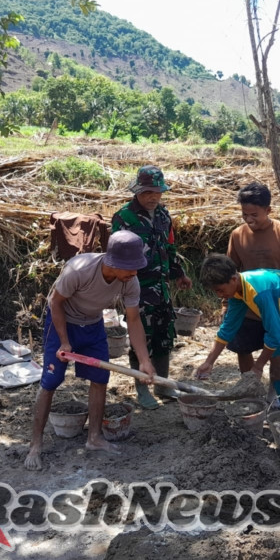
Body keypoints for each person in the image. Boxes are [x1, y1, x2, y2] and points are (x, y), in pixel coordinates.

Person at [24, 230, 156, 471]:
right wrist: (64, 341)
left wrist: (145, 360)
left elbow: (134, 320)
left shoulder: (130, 280)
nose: (134, 273)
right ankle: (35, 444)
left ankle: (94, 438)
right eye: (130, 268)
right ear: (113, 262)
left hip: (93, 325)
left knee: (99, 379)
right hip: (62, 322)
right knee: (50, 382)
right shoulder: (80, 269)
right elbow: (55, 302)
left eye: (137, 267)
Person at [195, 254, 280, 423]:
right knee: (279, 365)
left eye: (220, 290)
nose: (220, 295)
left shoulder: (259, 291)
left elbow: (274, 335)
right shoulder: (237, 292)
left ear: (233, 279)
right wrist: (209, 362)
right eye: (215, 292)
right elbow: (227, 329)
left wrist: (258, 366)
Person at [111, 165, 192, 410]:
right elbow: (116, 255)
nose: (153, 197)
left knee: (164, 336)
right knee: (141, 340)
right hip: (136, 287)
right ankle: (142, 388)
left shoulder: (163, 216)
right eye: (147, 192)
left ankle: (163, 385)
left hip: (161, 287)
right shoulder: (124, 217)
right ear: (138, 191)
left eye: (157, 192)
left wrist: (179, 273)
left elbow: (169, 247)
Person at [226, 182, 280, 403]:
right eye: (244, 214)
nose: (249, 219)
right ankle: (250, 391)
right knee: (243, 350)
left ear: (268, 210)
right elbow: (230, 272)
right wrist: (229, 302)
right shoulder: (237, 235)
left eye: (254, 214)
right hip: (247, 307)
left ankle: (275, 398)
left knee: (277, 357)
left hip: (277, 308)